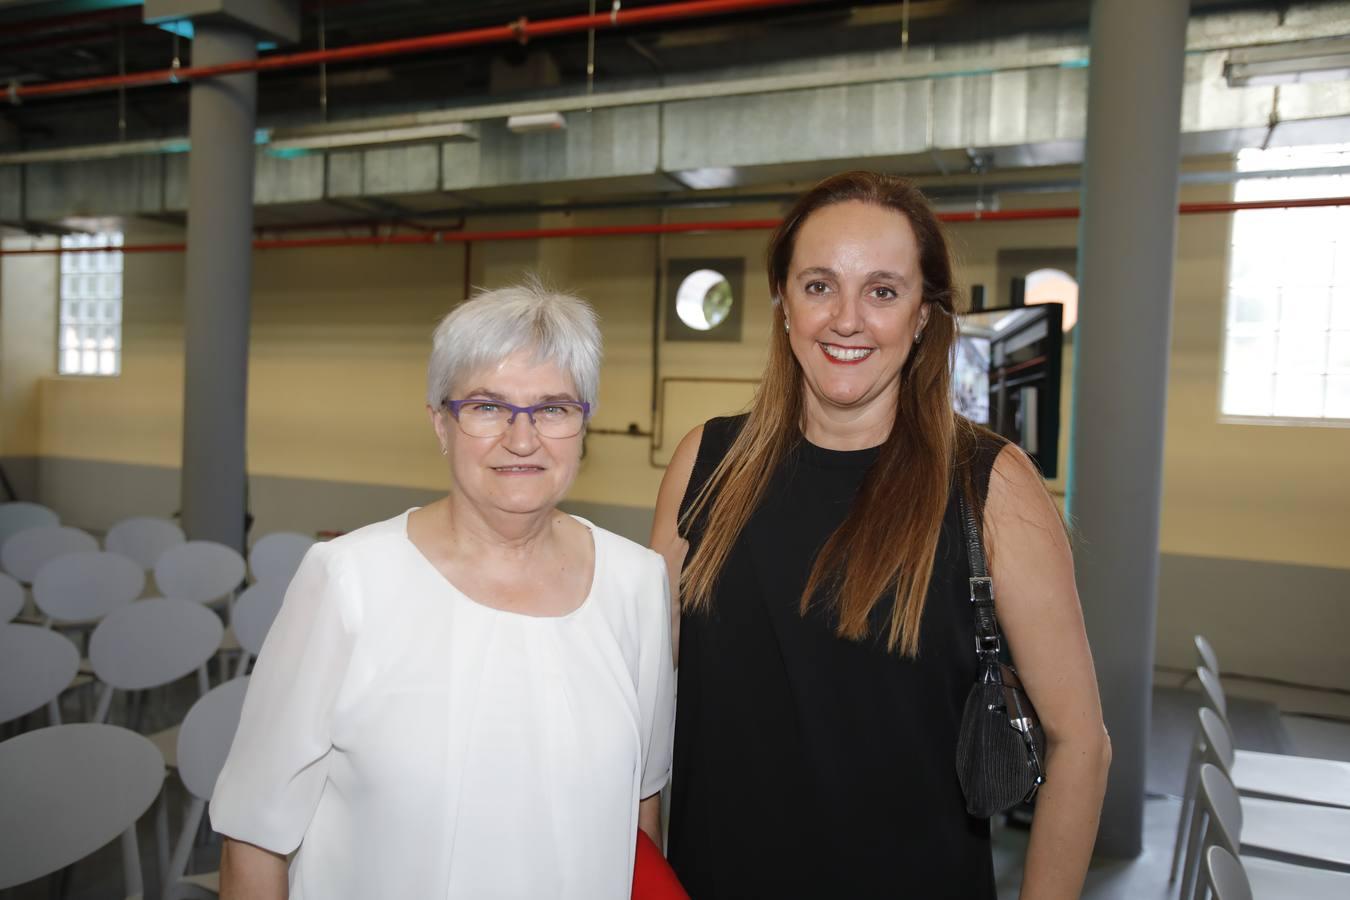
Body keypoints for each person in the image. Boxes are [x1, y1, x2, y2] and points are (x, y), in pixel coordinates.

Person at [651, 171, 1111, 899]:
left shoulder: (988, 485)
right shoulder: (707, 464)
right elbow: (642, 705)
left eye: (884, 291)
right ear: (783, 301)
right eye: (819, 285)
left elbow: (1081, 745)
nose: (847, 319)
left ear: (924, 315)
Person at [212, 282, 675, 899]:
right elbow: (254, 836)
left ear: (583, 425)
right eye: (487, 407)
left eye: (554, 408)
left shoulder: (636, 583)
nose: (522, 437)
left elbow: (640, 811)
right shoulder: (348, 581)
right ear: (441, 424)